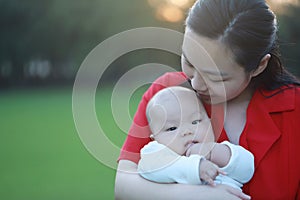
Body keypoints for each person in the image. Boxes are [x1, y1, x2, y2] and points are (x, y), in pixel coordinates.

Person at [115, 0, 300, 199]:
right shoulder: (167, 94)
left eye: (216, 78)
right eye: (189, 62)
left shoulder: (294, 108)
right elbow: (124, 186)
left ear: (259, 66)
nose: (196, 85)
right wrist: (196, 195)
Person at [138, 86, 254, 189]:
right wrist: (196, 167)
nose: (187, 131)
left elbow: (246, 170)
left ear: (210, 123)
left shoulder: (221, 152)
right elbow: (149, 168)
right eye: (172, 128)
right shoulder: (156, 155)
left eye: (195, 122)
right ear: (155, 140)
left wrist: (213, 152)